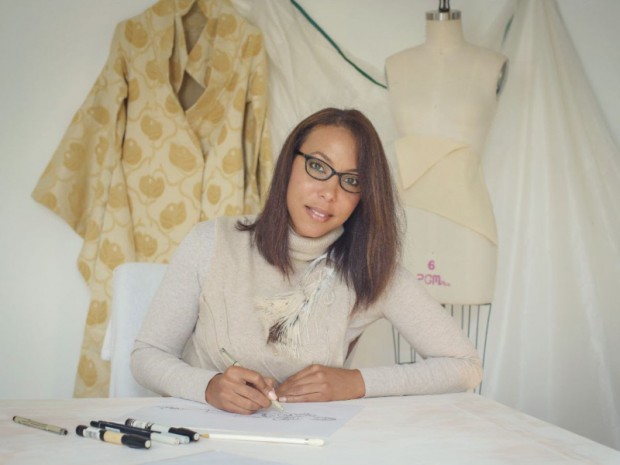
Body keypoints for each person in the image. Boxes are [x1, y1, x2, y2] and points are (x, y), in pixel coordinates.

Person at [131, 107, 482, 415]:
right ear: (289, 165)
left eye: (351, 180)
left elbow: (465, 366)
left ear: (364, 196)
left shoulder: (369, 269)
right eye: (317, 166)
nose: (329, 193)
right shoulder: (211, 242)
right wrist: (208, 387)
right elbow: (147, 355)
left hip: (307, 446)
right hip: (201, 438)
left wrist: (356, 382)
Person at [385, 7, 508, 304]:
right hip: (407, 221)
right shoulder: (396, 64)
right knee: (403, 318)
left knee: (470, 330)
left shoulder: (491, 64)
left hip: (468, 224)